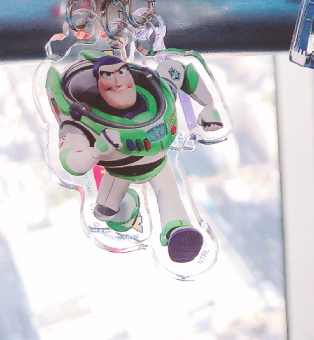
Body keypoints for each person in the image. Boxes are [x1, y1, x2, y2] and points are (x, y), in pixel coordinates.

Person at [47, 53, 223, 263]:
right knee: (107, 214)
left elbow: (180, 70)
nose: (118, 82)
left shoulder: (159, 93)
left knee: (170, 196)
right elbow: (72, 161)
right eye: (108, 76)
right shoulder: (80, 122)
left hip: (158, 166)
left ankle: (178, 230)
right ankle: (128, 209)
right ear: (98, 83)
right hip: (119, 172)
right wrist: (96, 151)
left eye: (122, 72)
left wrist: (208, 106)